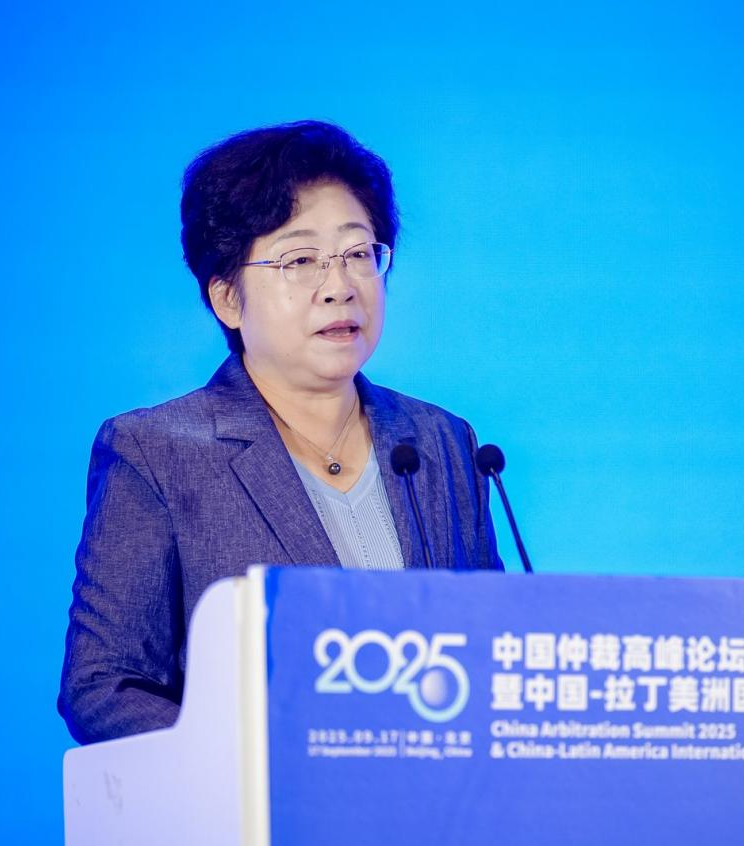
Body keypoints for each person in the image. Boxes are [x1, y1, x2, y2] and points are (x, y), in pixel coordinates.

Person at [58, 121, 504, 744]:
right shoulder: (157, 454)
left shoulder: (441, 443)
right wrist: (262, 757)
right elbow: (102, 687)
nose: (339, 288)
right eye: (300, 261)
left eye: (358, 254)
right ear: (228, 298)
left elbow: (497, 651)